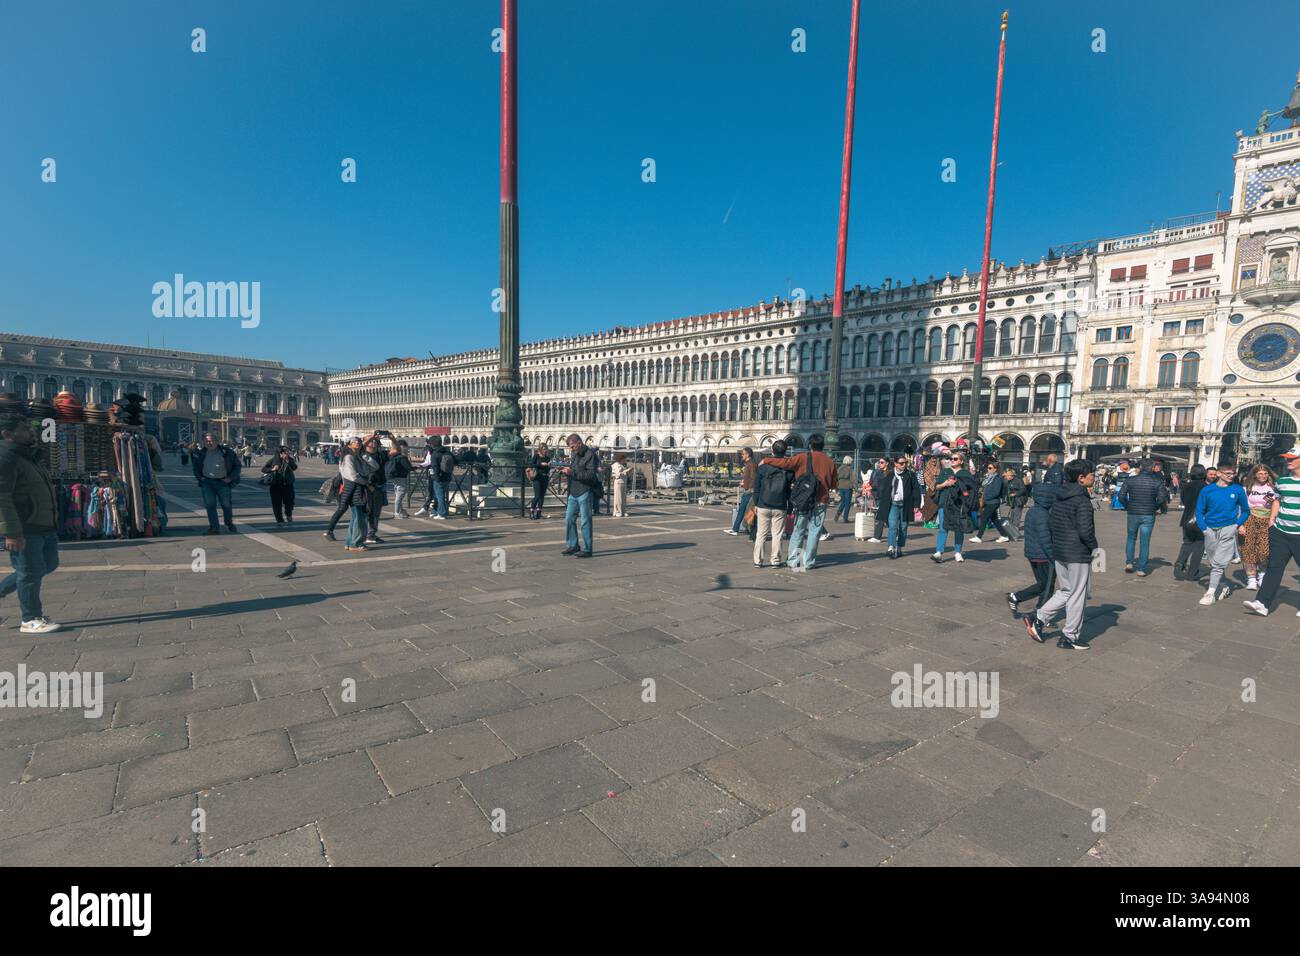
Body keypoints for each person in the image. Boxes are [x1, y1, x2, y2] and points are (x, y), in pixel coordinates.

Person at [1025, 459, 1098, 650]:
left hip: (1060, 551)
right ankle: (1070, 636)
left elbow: (1051, 524)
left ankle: (1038, 618)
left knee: (1066, 590)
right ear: (1081, 478)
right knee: (1077, 594)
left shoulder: (1059, 496)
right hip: (1077, 553)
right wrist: (1094, 548)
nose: (1094, 476)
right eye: (1091, 473)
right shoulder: (1082, 501)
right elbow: (1086, 531)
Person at [0, 414, 62, 633]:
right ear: (7, 434)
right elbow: (2, 498)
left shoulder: (28, 455)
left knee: (48, 565)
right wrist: (11, 532)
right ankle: (30, 618)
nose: (31, 431)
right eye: (24, 429)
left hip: (44, 524)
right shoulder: (6, 457)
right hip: (25, 526)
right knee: (29, 573)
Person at [765, 434, 836, 570]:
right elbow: (834, 483)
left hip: (803, 501)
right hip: (821, 501)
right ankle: (809, 562)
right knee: (815, 532)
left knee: (799, 530)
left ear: (810, 445)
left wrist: (768, 460)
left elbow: (785, 464)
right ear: (823, 446)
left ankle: (794, 561)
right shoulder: (830, 461)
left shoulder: (803, 457)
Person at [1244, 446, 1300, 618]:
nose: (1287, 460)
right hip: (1280, 532)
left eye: (1292, 458)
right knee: (1274, 568)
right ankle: (1262, 603)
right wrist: (1272, 520)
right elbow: (1277, 500)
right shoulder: (1283, 481)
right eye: (1287, 458)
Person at [1194, 461, 1249, 606]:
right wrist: (1204, 528)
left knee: (1218, 563)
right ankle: (1223, 586)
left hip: (1229, 528)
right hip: (1210, 529)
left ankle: (1210, 593)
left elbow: (1246, 510)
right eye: (1228, 474)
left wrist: (1236, 525)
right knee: (1213, 562)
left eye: (1233, 474)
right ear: (1218, 473)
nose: (1231, 476)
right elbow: (1199, 510)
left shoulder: (1237, 490)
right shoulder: (1207, 490)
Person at [1007, 481, 1058, 619]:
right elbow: (1045, 539)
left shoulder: (1033, 510)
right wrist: (1053, 557)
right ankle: (1040, 615)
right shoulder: (1043, 514)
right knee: (1048, 586)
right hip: (1043, 556)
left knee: (1042, 585)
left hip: (1033, 554)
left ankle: (1017, 598)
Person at [1120, 460, 1168, 576]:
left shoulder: (1130, 480)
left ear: (1140, 467)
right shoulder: (1158, 481)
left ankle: (1129, 562)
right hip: (1148, 514)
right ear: (1152, 468)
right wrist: (1154, 507)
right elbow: (1162, 498)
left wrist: (1127, 505)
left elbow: (1121, 495)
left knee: (1131, 538)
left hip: (1133, 512)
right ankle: (1141, 568)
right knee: (1145, 541)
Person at [557, 433, 599, 557]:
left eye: (573, 447)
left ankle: (587, 549)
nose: (572, 449)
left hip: (585, 491)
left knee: (585, 521)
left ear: (579, 443)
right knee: (569, 519)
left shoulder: (591, 455)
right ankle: (573, 545)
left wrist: (572, 473)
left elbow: (590, 475)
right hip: (573, 491)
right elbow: (574, 469)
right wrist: (566, 470)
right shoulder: (575, 454)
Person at [752, 440, 792, 567]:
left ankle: (758, 561)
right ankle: (775, 560)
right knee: (777, 534)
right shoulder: (788, 469)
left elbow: (756, 487)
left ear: (772, 451)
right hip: (780, 505)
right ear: (785, 451)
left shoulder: (763, 467)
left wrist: (755, 503)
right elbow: (790, 490)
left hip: (763, 504)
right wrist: (789, 506)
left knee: (761, 534)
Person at [191, 433, 241, 534]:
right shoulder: (201, 453)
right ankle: (214, 527)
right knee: (210, 505)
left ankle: (229, 522)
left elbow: (237, 466)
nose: (208, 443)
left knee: (226, 505)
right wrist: (199, 477)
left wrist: (230, 478)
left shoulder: (227, 452)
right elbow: (196, 467)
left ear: (216, 441)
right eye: (206, 441)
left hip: (223, 482)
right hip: (207, 482)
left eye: (210, 440)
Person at [932, 452, 977, 564]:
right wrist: (945, 483)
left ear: (961, 461)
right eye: (951, 458)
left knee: (959, 528)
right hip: (944, 503)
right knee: (943, 528)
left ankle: (958, 552)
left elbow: (971, 489)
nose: (952, 460)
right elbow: (936, 486)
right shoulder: (945, 471)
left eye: (955, 459)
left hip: (959, 505)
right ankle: (939, 552)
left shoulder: (966, 473)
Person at [1240, 463, 1276, 590]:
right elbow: (1241, 507)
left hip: (1267, 520)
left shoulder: (1273, 488)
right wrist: (1240, 525)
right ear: (1254, 474)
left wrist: (1274, 502)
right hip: (1250, 519)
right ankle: (1251, 579)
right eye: (1260, 473)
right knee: (1248, 549)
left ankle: (1262, 575)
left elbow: (1279, 504)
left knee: (1264, 551)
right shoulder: (1247, 488)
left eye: (1266, 473)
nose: (1263, 476)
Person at [323, 437, 364, 540]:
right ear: (349, 445)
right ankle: (330, 531)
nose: (357, 443)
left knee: (343, 509)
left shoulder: (355, 456)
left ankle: (329, 531)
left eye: (359, 441)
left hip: (349, 486)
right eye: (355, 442)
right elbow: (352, 476)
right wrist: (366, 482)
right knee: (345, 509)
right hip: (348, 486)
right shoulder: (348, 457)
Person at [882, 456, 922, 559]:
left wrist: (916, 504)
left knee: (903, 527)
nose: (904, 465)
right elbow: (885, 490)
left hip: (906, 505)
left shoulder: (910, 474)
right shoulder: (890, 475)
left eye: (905, 463)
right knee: (893, 526)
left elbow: (916, 490)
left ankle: (899, 548)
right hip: (893, 504)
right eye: (901, 463)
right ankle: (891, 547)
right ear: (895, 464)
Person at [1173, 464, 1208, 582]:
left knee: (1187, 542)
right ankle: (1192, 572)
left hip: (1187, 518)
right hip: (1202, 519)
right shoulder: (1207, 487)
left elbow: (1184, 501)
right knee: (1199, 545)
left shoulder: (1186, 486)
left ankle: (1180, 563)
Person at [970, 461, 1013, 543]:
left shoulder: (997, 479)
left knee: (984, 517)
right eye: (988, 468)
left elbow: (996, 492)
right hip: (989, 502)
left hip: (993, 502)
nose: (988, 469)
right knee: (994, 519)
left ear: (995, 469)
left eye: (990, 468)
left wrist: (986, 497)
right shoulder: (988, 478)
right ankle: (1004, 535)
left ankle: (979, 536)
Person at [415, 437, 454, 519]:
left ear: (432, 444)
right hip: (447, 476)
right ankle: (438, 511)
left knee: (439, 496)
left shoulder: (435, 454)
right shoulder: (448, 452)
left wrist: (436, 478)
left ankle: (442, 514)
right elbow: (455, 461)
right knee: (442, 496)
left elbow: (435, 467)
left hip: (438, 478)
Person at [261, 446, 297, 524]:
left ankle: (288, 514)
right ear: (279, 453)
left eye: (286, 452)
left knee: (289, 502)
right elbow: (263, 469)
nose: (285, 454)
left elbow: (294, 467)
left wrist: (287, 460)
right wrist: (272, 469)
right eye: (283, 453)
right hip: (275, 486)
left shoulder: (289, 460)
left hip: (288, 485)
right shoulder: (273, 461)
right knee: (276, 504)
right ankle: (279, 519)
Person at [727, 446, 755, 535]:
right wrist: (744, 481)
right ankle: (747, 529)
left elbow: (754, 478)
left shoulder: (751, 464)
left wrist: (748, 485)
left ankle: (735, 529)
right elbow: (750, 477)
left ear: (748, 454)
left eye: (743, 454)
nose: (741, 455)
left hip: (750, 491)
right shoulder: (748, 464)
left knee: (743, 510)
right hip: (748, 489)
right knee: (747, 511)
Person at [866, 457, 890, 542]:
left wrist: (872, 487)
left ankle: (877, 537)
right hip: (879, 496)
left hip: (885, 497)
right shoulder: (879, 471)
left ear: (887, 463)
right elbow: (875, 483)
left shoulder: (889, 473)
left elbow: (883, 485)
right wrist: (871, 488)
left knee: (881, 517)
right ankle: (897, 533)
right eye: (879, 462)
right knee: (885, 517)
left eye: (882, 462)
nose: (880, 464)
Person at [389, 440, 413, 519]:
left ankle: (401, 511)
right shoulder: (402, 456)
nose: (407, 448)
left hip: (393, 476)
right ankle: (397, 512)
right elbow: (408, 467)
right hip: (400, 477)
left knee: (398, 494)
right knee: (400, 494)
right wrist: (415, 467)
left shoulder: (393, 455)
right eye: (405, 446)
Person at [527, 442, 552, 520]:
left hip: (545, 477)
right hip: (537, 477)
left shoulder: (548, 458)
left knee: (542, 496)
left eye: (546, 449)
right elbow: (531, 465)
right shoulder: (536, 456)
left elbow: (548, 469)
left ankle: (539, 512)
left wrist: (549, 465)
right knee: (537, 496)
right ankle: (531, 511)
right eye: (544, 449)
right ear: (540, 449)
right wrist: (541, 464)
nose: (545, 451)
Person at [1005, 466, 1028, 538]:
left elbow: (1023, 490)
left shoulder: (1018, 480)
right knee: (1012, 515)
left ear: (1011, 476)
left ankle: (1015, 531)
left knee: (1017, 515)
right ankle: (1012, 530)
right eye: (1006, 476)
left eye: (1007, 476)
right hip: (1013, 501)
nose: (1006, 477)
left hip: (1019, 500)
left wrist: (1015, 493)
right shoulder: (1009, 481)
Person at [834, 455, 855, 524]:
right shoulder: (850, 469)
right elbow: (853, 480)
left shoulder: (840, 468)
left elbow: (836, 477)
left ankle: (837, 515)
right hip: (848, 487)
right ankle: (845, 518)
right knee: (847, 503)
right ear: (849, 462)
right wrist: (856, 488)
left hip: (840, 486)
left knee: (843, 502)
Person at [610, 453, 630, 517]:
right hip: (618, 481)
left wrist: (628, 471)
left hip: (623, 481)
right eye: (624, 459)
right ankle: (617, 511)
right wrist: (626, 471)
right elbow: (619, 474)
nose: (625, 460)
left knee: (624, 498)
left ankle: (623, 511)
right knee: (618, 498)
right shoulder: (615, 465)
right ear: (621, 459)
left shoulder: (622, 465)